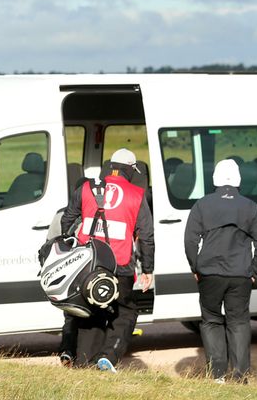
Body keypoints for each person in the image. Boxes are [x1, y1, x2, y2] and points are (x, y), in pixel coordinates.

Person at [60, 148, 154, 372]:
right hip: (120, 266)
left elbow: (67, 220)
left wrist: (72, 248)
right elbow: (147, 236)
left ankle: (84, 362)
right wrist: (148, 269)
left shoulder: (86, 188)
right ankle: (108, 356)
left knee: (91, 312)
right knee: (126, 311)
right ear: (130, 170)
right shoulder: (137, 194)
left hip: (87, 264)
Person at [184, 159, 257, 383]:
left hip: (209, 273)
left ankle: (217, 375)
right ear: (239, 179)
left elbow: (190, 240)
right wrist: (254, 270)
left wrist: (195, 267)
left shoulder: (202, 205)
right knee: (239, 322)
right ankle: (241, 376)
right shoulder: (250, 207)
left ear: (215, 178)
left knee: (211, 320)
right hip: (241, 274)